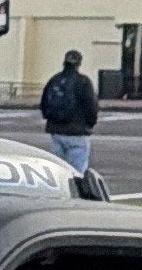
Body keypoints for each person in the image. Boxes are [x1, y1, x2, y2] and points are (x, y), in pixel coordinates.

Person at [39, 49, 100, 177]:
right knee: (77, 172)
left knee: (58, 169)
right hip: (78, 132)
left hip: (56, 131)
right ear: (79, 64)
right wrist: (90, 124)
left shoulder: (54, 80)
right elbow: (91, 107)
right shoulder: (83, 81)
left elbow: (44, 104)